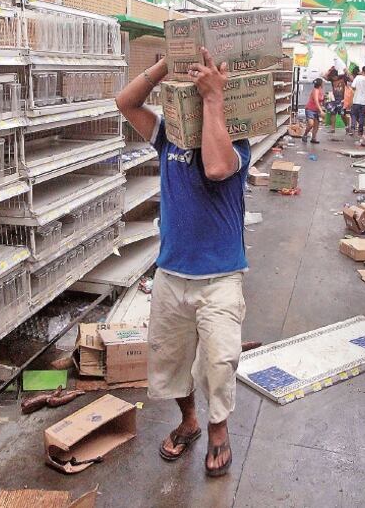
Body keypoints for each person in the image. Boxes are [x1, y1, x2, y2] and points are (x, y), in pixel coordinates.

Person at [115, 47, 249, 478]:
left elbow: (214, 168)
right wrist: (163, 67)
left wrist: (214, 100)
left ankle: (218, 429)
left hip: (220, 277)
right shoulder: (167, 137)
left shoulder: (238, 140)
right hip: (172, 273)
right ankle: (189, 420)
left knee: (220, 360)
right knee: (171, 361)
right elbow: (125, 103)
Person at [349, 66, 365, 137]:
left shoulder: (358, 77)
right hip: (364, 102)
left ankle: (353, 128)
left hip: (356, 100)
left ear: (362, 71)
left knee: (353, 114)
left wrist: (357, 89)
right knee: (362, 116)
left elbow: (353, 86)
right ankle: (360, 131)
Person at [324, 66, 349, 133]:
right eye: (332, 77)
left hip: (342, 99)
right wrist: (329, 70)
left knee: (342, 114)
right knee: (333, 113)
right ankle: (332, 129)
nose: (333, 79)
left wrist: (346, 71)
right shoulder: (332, 79)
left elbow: (351, 78)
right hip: (334, 99)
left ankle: (347, 126)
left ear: (336, 75)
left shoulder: (343, 77)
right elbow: (324, 76)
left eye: (333, 77)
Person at [303, 77, 324, 144]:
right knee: (311, 124)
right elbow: (316, 101)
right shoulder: (315, 90)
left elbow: (321, 101)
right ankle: (305, 134)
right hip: (310, 109)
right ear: (320, 84)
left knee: (316, 125)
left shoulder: (321, 91)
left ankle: (313, 138)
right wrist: (321, 111)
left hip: (316, 110)